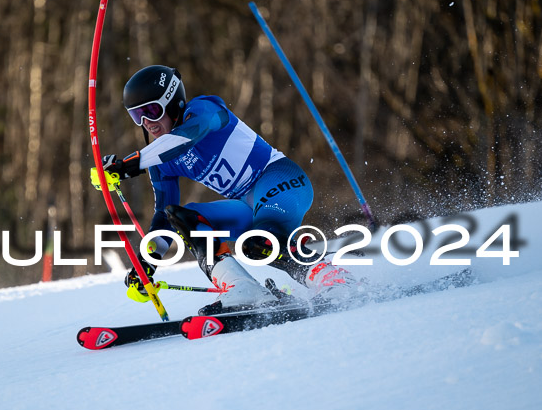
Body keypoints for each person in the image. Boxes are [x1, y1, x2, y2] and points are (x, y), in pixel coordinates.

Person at [101, 65, 354, 308]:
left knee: (259, 243)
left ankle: (329, 276)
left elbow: (185, 138)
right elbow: (162, 221)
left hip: (280, 180)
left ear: (173, 101)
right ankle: (242, 288)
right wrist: (147, 262)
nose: (146, 122)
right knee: (182, 217)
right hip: (246, 204)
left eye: (152, 111)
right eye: (137, 115)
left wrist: (129, 164)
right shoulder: (158, 160)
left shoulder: (204, 110)